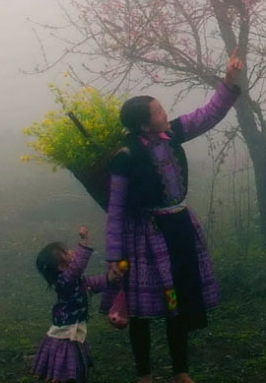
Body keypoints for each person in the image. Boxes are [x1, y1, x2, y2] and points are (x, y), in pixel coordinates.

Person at [103, 51, 243, 383]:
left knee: (176, 301)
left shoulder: (172, 135)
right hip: (146, 236)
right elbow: (116, 210)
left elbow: (207, 115)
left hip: (178, 227)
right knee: (140, 308)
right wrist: (114, 257)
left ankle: (181, 370)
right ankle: (144, 374)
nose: (166, 114)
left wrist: (228, 81)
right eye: (158, 111)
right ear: (143, 124)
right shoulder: (126, 158)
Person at [32, 226, 109, 383]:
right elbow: (78, 266)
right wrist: (84, 242)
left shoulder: (74, 281)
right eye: (67, 253)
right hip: (66, 334)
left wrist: (110, 280)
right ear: (61, 267)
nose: (72, 252)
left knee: (74, 361)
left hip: (73, 329)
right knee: (67, 362)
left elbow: (93, 284)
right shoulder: (65, 282)